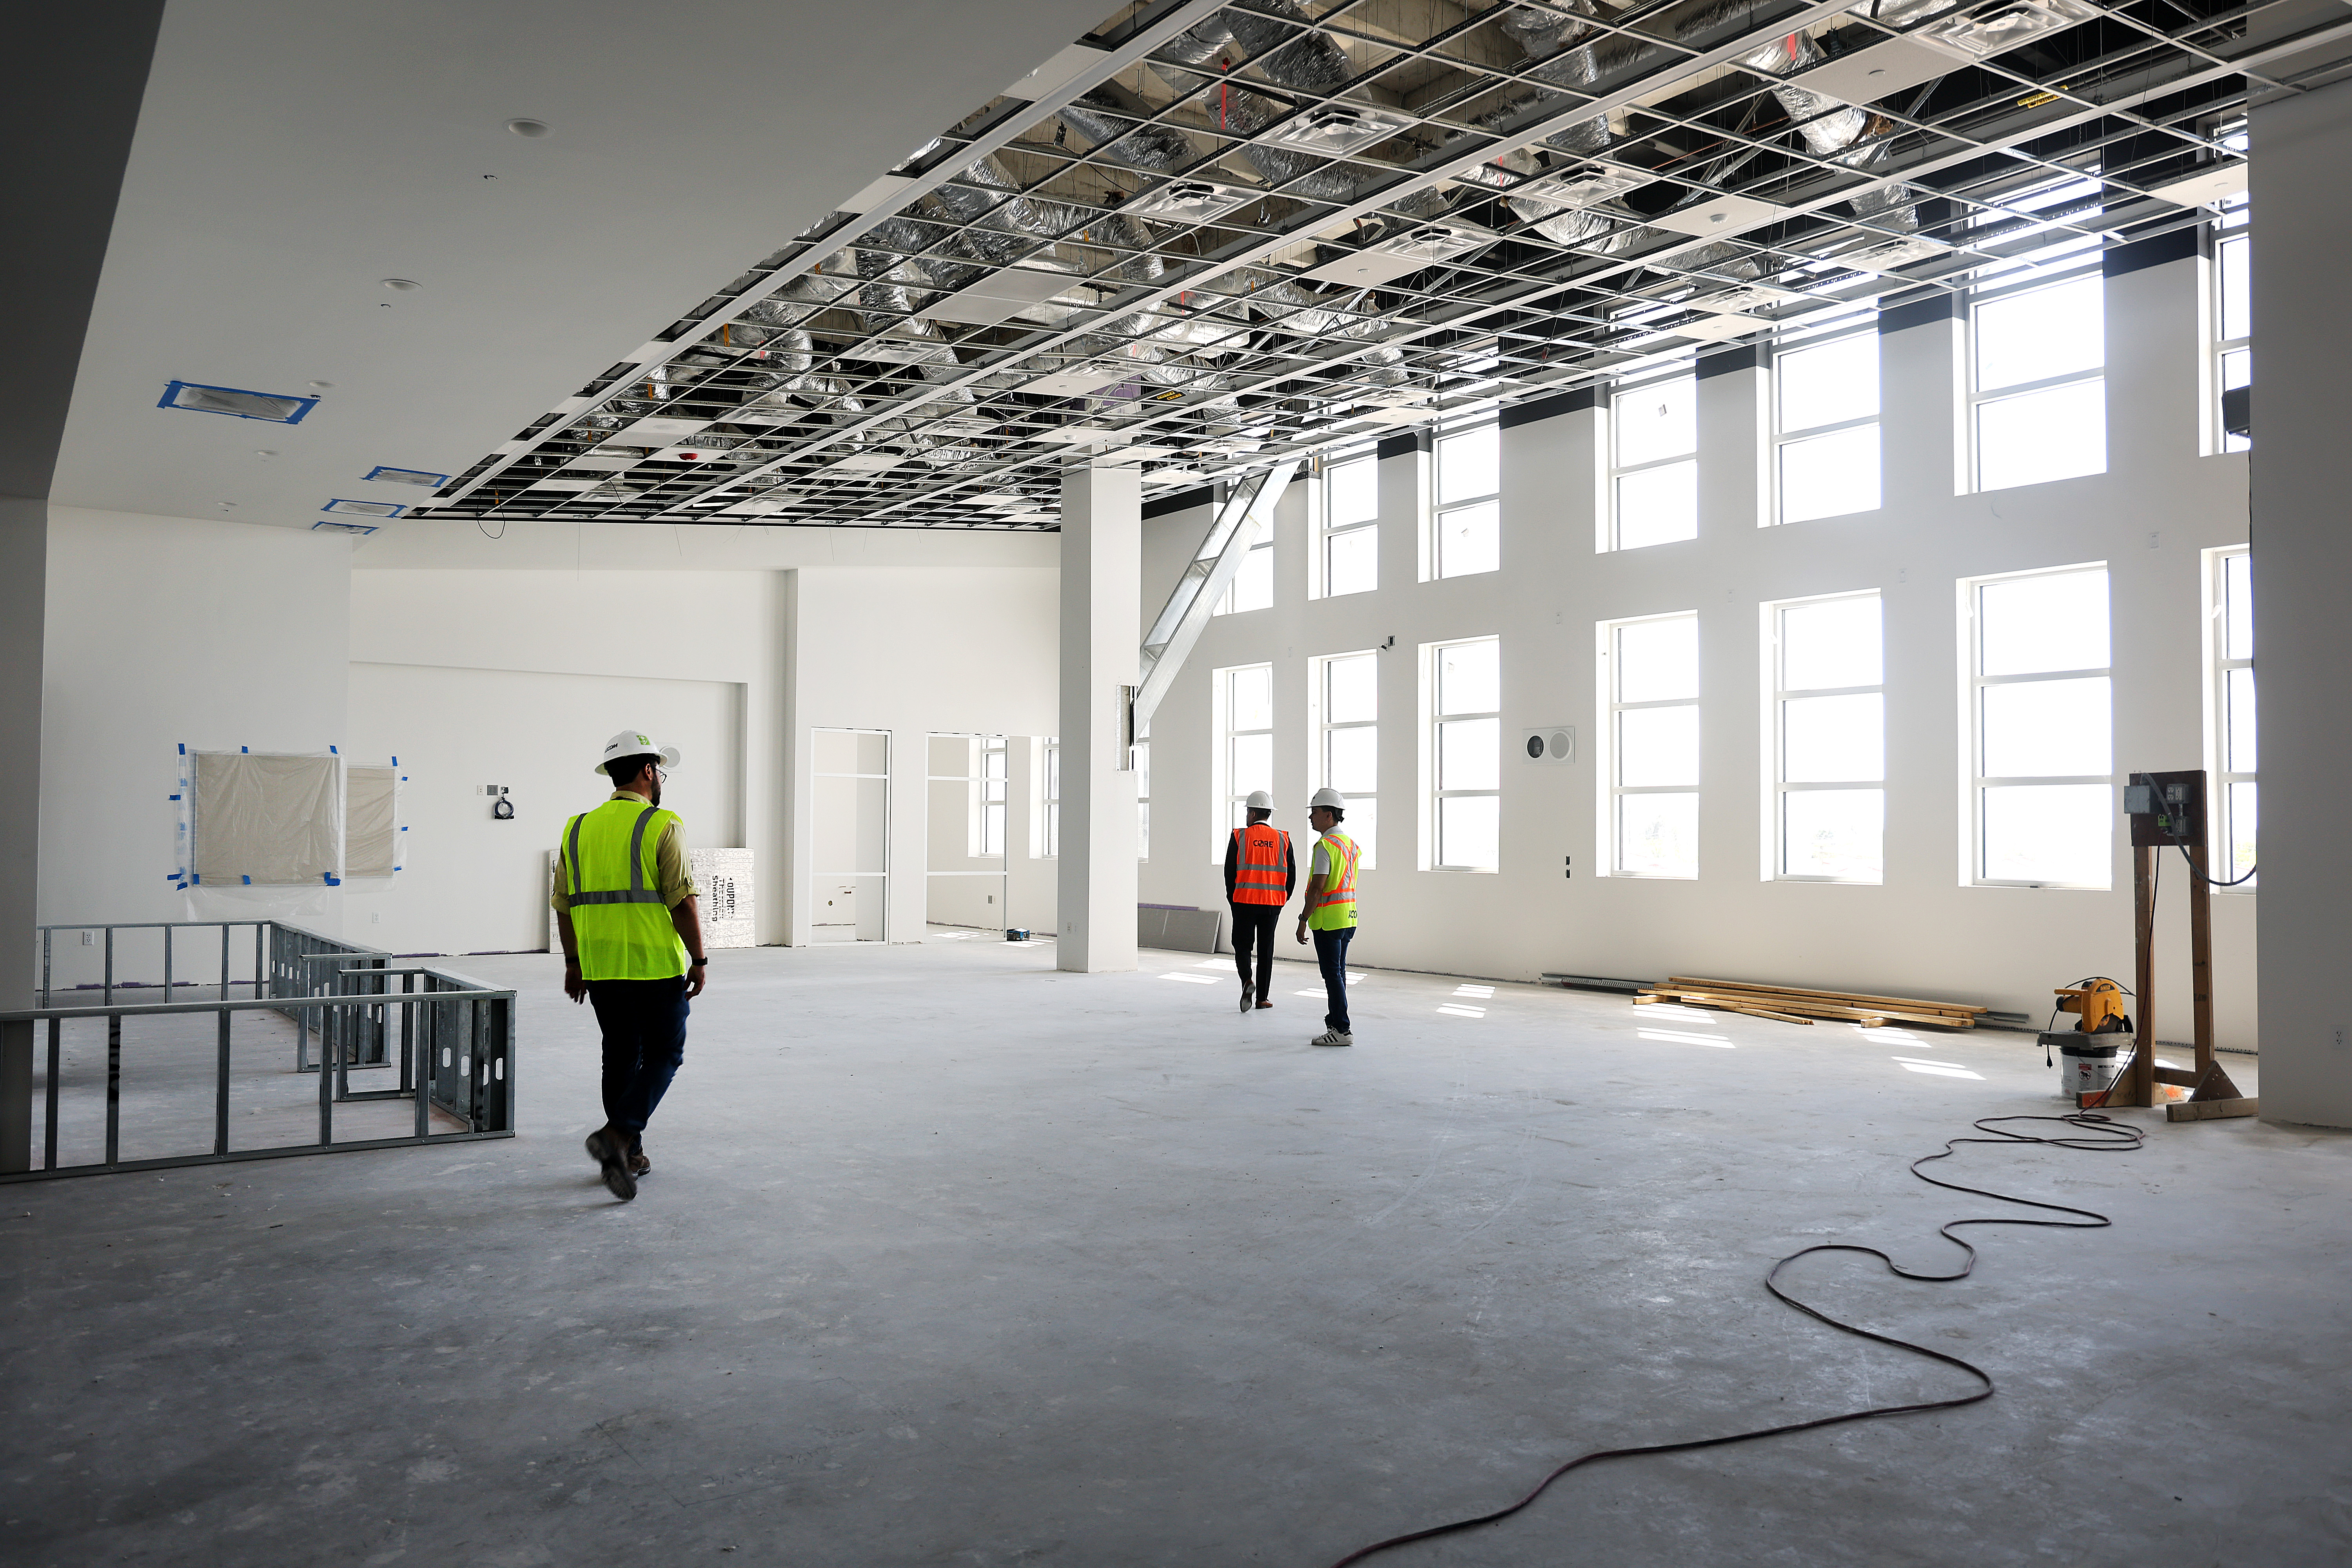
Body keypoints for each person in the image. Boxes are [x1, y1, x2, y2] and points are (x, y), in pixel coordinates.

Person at [552, 730, 709, 1201]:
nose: (661, 778)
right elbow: (682, 901)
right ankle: (618, 1135)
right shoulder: (663, 825)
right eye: (659, 770)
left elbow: (562, 904)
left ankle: (629, 1152)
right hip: (650, 964)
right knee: (665, 1052)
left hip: (600, 966)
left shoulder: (577, 828)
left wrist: (574, 962)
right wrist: (699, 959)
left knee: (620, 1054)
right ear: (647, 771)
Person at [1293, 787, 1360, 1047]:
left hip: (1329, 922)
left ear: (1329, 816)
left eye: (1315, 812)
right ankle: (1335, 1022)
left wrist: (1302, 920)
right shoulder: (1350, 845)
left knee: (1332, 975)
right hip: (1348, 918)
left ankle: (1342, 1030)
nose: (1311, 817)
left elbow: (1319, 888)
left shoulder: (1325, 846)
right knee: (1339, 973)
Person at [1223, 789, 1295, 1014]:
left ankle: (1247, 980)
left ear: (1253, 813)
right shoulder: (1283, 839)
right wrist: (1282, 900)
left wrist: (1233, 900)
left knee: (1242, 946)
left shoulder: (1240, 837)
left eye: (1248, 812)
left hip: (1244, 902)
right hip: (1272, 904)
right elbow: (1290, 876)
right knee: (1266, 949)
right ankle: (1263, 998)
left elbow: (1229, 874)